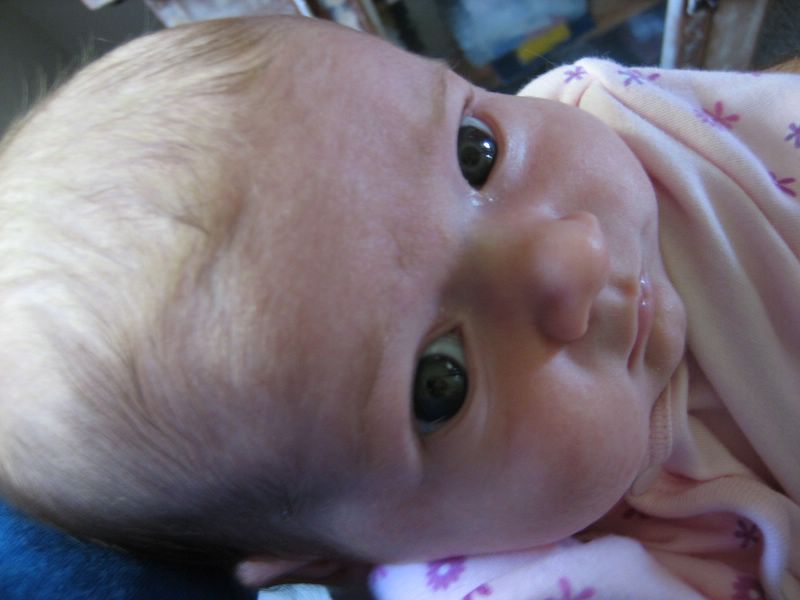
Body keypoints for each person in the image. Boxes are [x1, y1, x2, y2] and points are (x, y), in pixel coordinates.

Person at [0, 14, 796, 599]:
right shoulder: (535, 582)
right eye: (440, 381)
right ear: (335, 560)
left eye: (476, 154)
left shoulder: (638, 132)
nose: (575, 256)